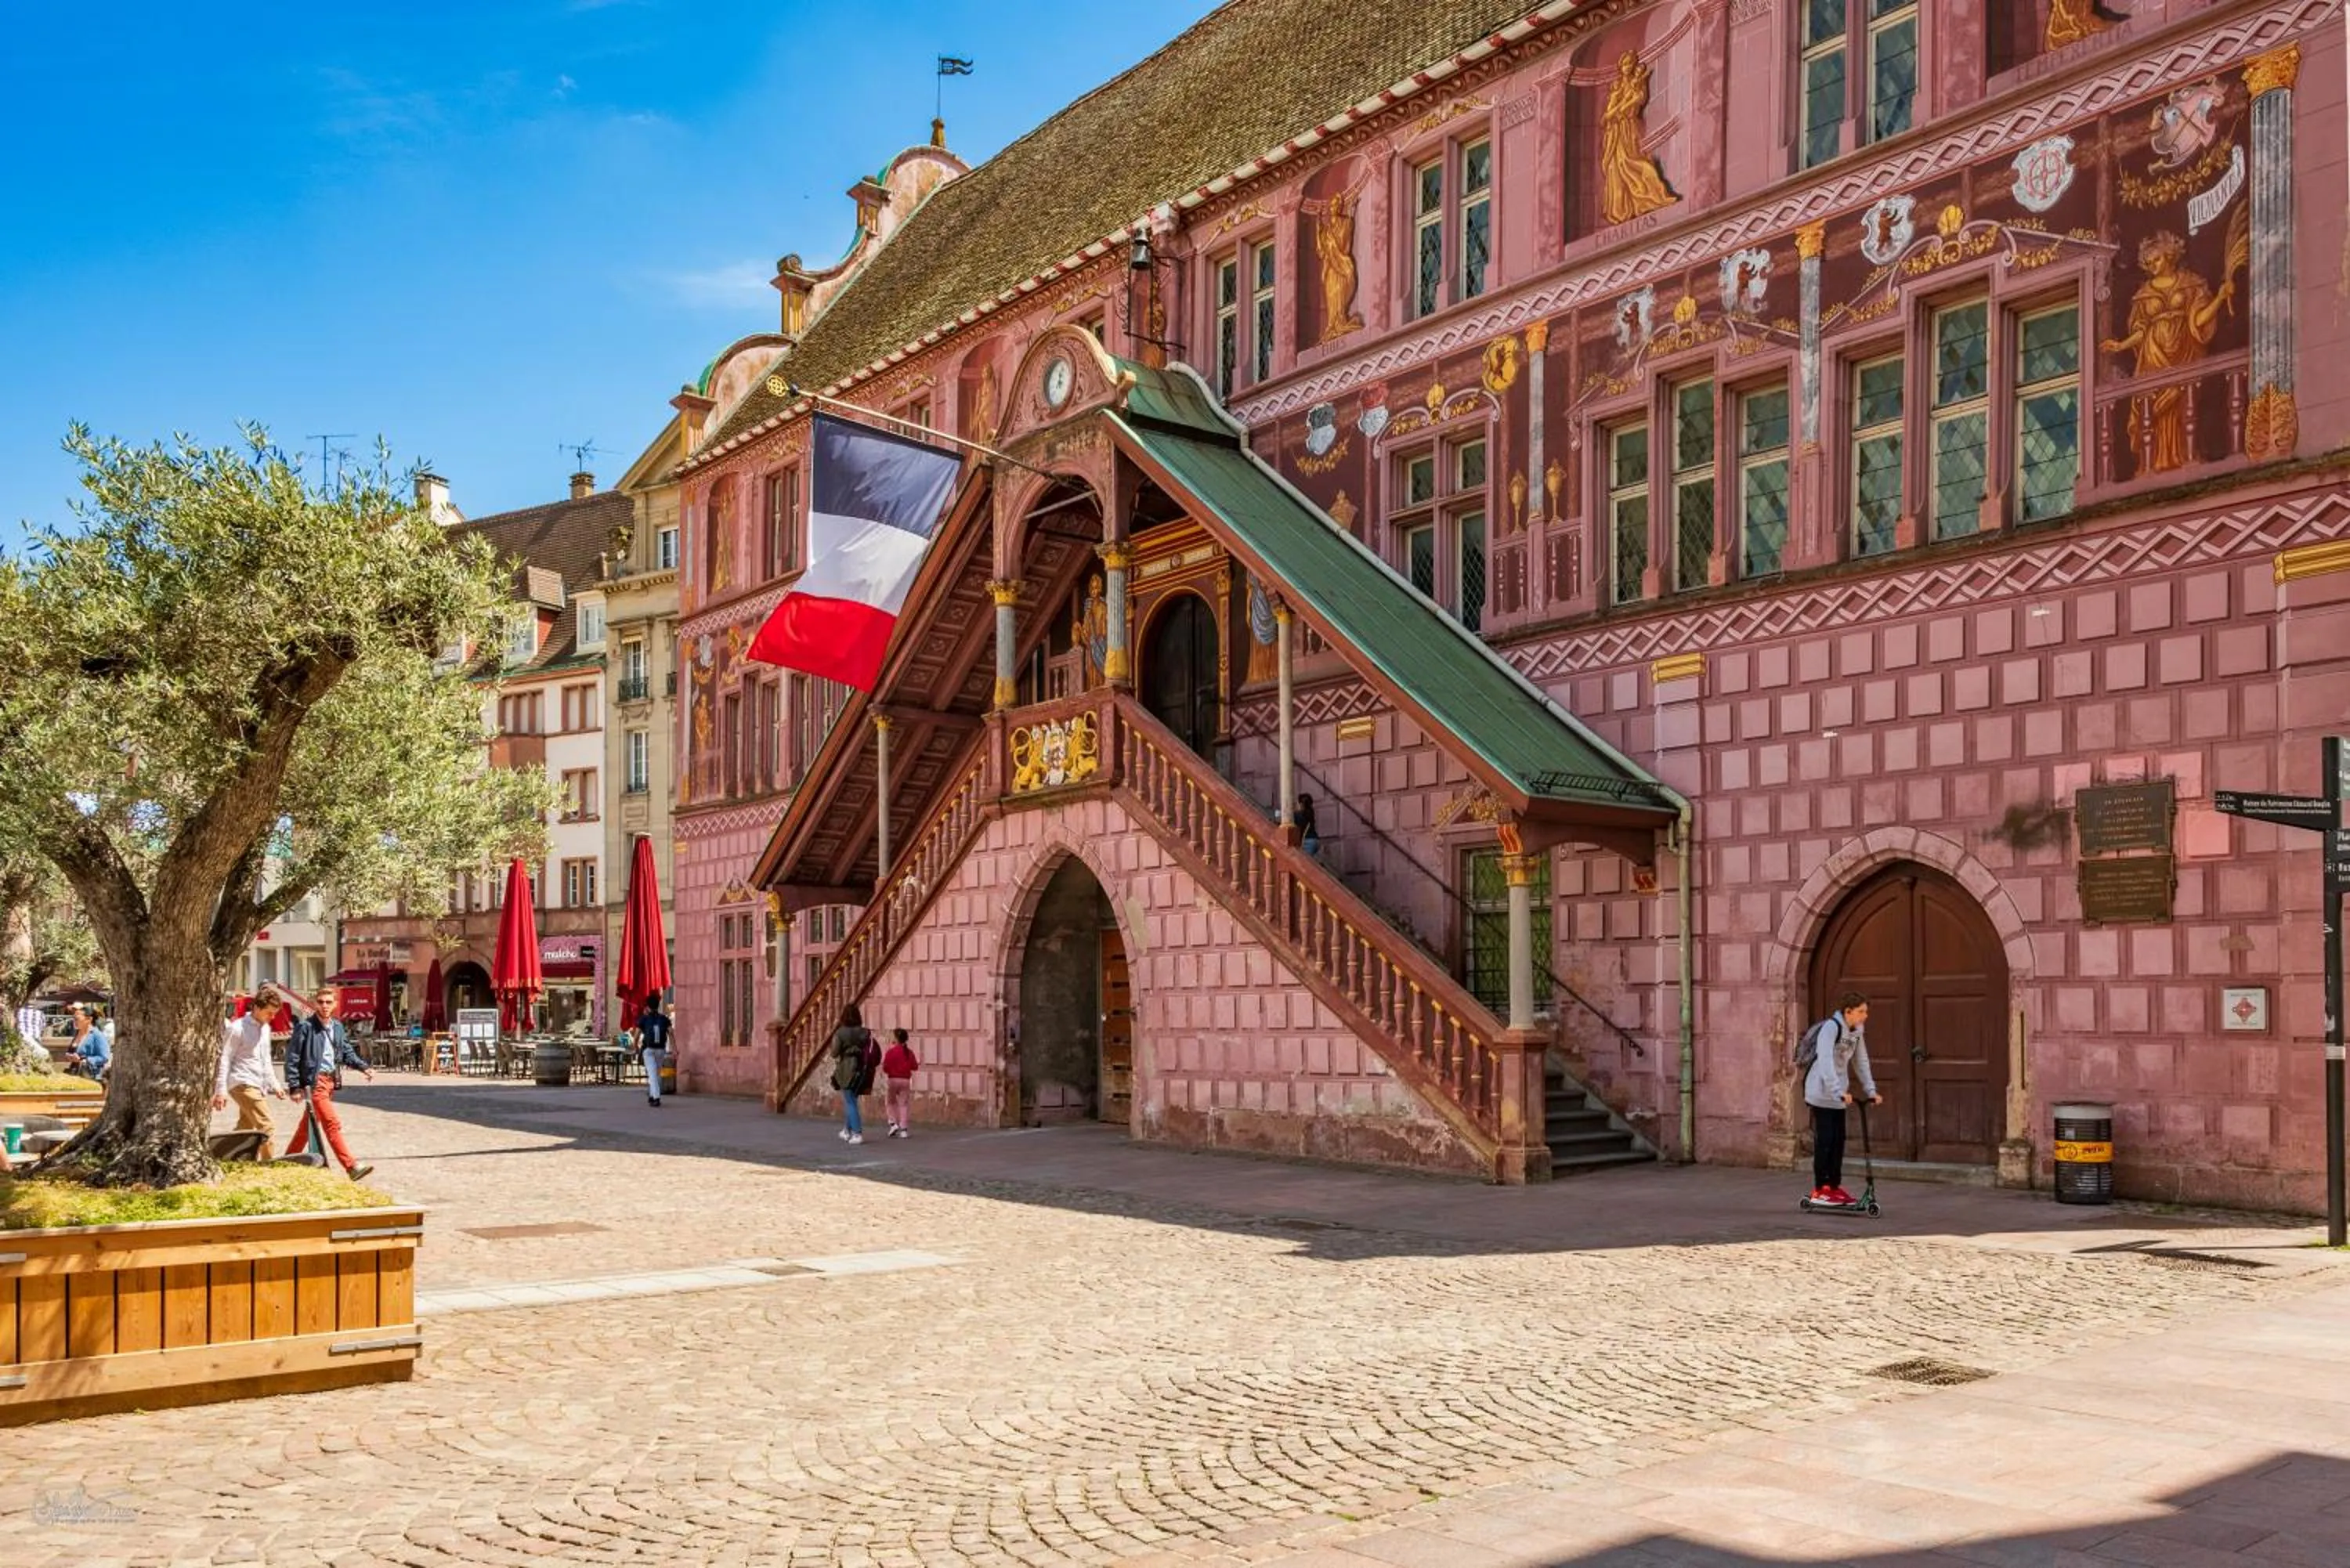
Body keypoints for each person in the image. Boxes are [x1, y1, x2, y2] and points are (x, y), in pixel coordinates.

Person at [280, 987, 378, 1182]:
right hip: (314, 1083)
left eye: (328, 1002)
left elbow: (346, 1052)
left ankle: (285, 1164)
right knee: (331, 1123)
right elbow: (293, 1057)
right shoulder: (306, 1027)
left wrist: (363, 1067)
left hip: (331, 1081)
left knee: (307, 1127)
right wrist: (294, 1087)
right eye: (321, 1002)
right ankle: (351, 1167)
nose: (324, 1006)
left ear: (335, 1004)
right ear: (315, 1004)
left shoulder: (338, 1027)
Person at [1802, 991, 1881, 1207]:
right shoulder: (1831, 1028)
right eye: (1861, 1011)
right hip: (1821, 1092)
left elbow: (1861, 1061)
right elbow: (1826, 1061)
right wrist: (1835, 1089)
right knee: (1825, 1141)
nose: (1865, 1015)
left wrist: (1871, 1090)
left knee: (1838, 1141)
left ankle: (1834, 1187)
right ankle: (1821, 1188)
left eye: (1866, 1011)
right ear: (1848, 1012)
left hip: (1839, 1095)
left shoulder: (1857, 1031)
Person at [214, 992, 288, 1160]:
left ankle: (219, 1156)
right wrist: (220, 1091)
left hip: (257, 1083)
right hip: (241, 1082)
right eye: (269, 1013)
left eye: (274, 1013)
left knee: (245, 1127)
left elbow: (265, 1059)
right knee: (266, 1126)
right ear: (256, 1007)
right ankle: (269, 1168)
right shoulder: (237, 1028)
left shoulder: (266, 1028)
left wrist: (275, 1084)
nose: (272, 1017)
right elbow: (225, 1058)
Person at [830, 1003, 876, 1144]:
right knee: (853, 1100)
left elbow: (834, 1052)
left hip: (846, 1068)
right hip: (862, 1067)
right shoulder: (865, 1032)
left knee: (850, 1101)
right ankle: (846, 1130)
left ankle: (857, 1133)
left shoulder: (840, 1032)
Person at [880, 1028, 920, 1139]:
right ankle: (904, 1130)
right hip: (906, 1081)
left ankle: (893, 1123)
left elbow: (885, 1068)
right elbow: (915, 1067)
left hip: (893, 1080)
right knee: (904, 1105)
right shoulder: (909, 1052)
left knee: (890, 1102)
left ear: (896, 1039)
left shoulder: (891, 1052)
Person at [635, 997, 673, 1108]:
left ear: (647, 1007)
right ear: (658, 1006)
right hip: (661, 1050)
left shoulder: (644, 1019)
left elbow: (637, 1035)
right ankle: (652, 1095)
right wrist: (675, 1049)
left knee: (652, 1073)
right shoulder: (664, 1019)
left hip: (648, 1049)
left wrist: (635, 1047)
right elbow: (671, 1033)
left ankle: (656, 1097)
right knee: (656, 1073)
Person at [67, 1008, 111, 1080]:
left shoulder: (97, 1035)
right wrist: (69, 1056)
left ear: (89, 1019)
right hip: (75, 1074)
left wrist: (85, 1060)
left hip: (90, 1075)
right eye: (74, 1018)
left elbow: (104, 1057)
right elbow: (72, 1051)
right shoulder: (77, 1033)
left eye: (77, 1019)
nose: (74, 1021)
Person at [1294, 793, 1321, 858]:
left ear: (1301, 804)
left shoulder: (1298, 815)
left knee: (1305, 862)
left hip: (1307, 842)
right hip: (1315, 840)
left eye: (1297, 803)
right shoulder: (1310, 813)